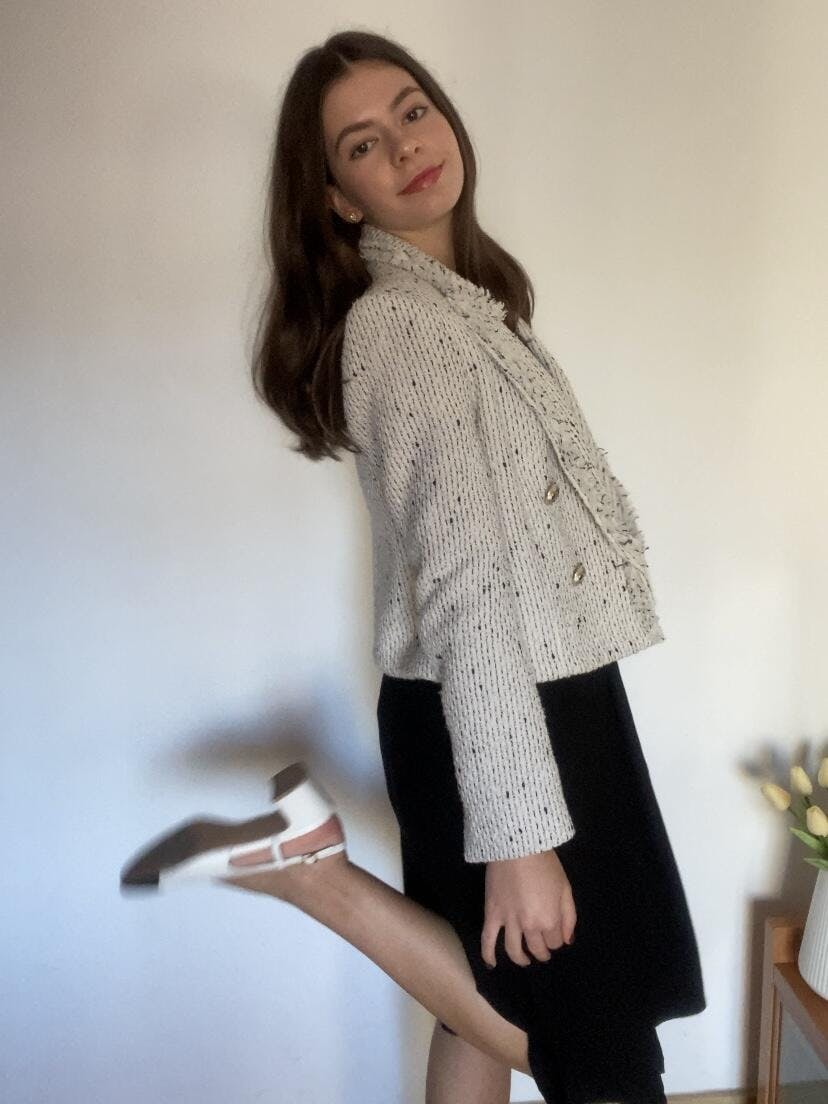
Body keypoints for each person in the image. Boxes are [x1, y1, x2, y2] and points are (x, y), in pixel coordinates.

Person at [120, 29, 706, 1104]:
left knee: (476, 1006)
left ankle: (306, 865)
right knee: (601, 1057)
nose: (402, 146)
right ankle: (313, 877)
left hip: (520, 702)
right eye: (361, 144)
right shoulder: (408, 328)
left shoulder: (459, 307)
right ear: (338, 200)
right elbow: (464, 583)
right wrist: (520, 836)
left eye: (412, 110)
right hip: (513, 718)